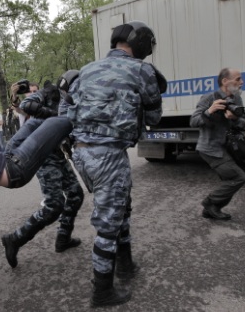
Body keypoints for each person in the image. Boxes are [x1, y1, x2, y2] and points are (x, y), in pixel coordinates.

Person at [66, 20, 164, 308]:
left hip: (82, 154)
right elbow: (155, 116)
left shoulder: (86, 69)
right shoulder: (141, 70)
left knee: (121, 207)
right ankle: (102, 292)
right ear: (141, 43)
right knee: (108, 224)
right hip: (109, 154)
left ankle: (125, 265)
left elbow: (69, 108)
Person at [0, 75, 85, 269]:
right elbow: (28, 105)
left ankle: (63, 238)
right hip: (38, 151)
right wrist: (55, 117)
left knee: (76, 195)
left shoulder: (76, 102)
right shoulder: (48, 93)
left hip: (55, 151)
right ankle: (15, 239)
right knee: (54, 205)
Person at [190, 68, 245, 221]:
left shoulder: (236, 99)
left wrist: (234, 118)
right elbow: (193, 122)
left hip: (226, 146)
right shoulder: (209, 97)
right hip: (210, 148)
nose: (242, 82)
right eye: (238, 79)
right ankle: (210, 203)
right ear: (225, 81)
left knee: (229, 178)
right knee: (238, 177)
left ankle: (212, 209)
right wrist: (209, 111)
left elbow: (244, 122)